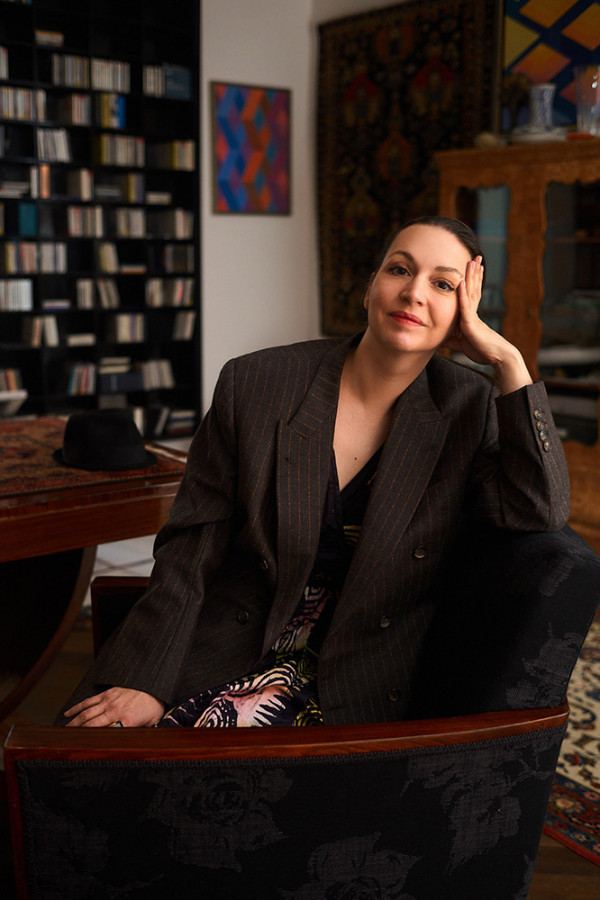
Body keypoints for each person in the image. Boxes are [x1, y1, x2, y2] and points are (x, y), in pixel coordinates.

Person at [59, 216, 570, 728]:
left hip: (360, 672)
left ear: (464, 311)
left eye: (443, 284)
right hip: (231, 637)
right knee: (93, 753)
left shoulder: (470, 406)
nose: (414, 293)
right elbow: (191, 546)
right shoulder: (256, 382)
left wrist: (508, 361)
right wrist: (147, 678)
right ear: (370, 288)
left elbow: (539, 508)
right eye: (399, 269)